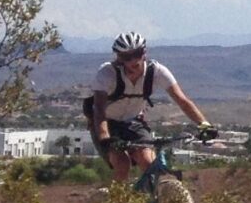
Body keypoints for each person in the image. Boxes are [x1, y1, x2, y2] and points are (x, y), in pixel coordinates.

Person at [83, 32, 212, 182]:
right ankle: (118, 202)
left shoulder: (157, 71)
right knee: (122, 163)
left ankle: (155, 199)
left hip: (133, 122)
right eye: (127, 57)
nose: (133, 60)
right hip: (106, 124)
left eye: (137, 54)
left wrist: (204, 125)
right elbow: (98, 109)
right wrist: (105, 137)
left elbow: (182, 100)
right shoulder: (107, 73)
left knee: (148, 161)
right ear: (119, 58)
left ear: (144, 52)